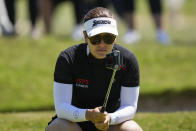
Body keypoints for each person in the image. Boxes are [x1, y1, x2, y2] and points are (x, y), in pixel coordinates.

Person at [46, 7, 142, 131]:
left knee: (132, 129)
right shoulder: (68, 58)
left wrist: (109, 118)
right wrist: (89, 115)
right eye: (95, 39)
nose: (102, 44)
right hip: (76, 123)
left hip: (111, 123)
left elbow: (130, 107)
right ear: (85, 36)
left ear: (115, 37)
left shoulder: (128, 59)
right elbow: (61, 109)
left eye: (108, 38)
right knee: (57, 127)